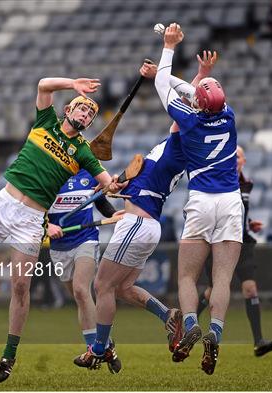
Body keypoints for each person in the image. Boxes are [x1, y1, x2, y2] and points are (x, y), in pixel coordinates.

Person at [0, 77, 123, 383]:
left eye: (90, 115)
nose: (85, 115)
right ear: (68, 108)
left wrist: (117, 184)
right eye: (81, 108)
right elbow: (44, 85)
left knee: (20, 287)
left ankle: (8, 357)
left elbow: (106, 183)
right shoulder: (46, 121)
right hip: (4, 205)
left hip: (32, 219)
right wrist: (72, 83)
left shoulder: (83, 151)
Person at [74, 52, 219, 369]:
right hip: (143, 221)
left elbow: (185, 105)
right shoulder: (174, 145)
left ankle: (98, 348)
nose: (181, 114)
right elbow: (147, 176)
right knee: (123, 287)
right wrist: (119, 185)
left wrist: (177, 76)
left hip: (137, 223)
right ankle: (168, 315)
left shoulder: (183, 139)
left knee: (102, 286)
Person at [154, 23, 244, 375]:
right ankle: (215, 334)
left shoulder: (189, 120)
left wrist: (169, 47)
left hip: (202, 202)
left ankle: (191, 324)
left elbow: (165, 83)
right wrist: (204, 77)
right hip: (231, 202)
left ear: (198, 103)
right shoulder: (230, 116)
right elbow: (200, 96)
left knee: (187, 277)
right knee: (221, 280)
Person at [197, 146, 272, 357]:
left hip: (243, 243)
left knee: (250, 289)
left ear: (244, 161)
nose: (235, 160)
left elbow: (238, 212)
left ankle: (258, 341)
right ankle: (187, 325)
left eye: (239, 156)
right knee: (211, 291)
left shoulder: (246, 184)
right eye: (232, 156)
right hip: (220, 243)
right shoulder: (220, 181)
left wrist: (249, 224)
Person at [47, 169, 123, 372]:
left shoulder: (89, 173)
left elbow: (98, 199)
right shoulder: (49, 172)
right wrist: (47, 227)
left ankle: (93, 350)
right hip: (59, 246)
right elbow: (35, 210)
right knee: (79, 299)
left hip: (85, 238)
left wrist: (112, 214)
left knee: (81, 290)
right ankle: (106, 346)